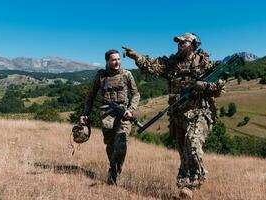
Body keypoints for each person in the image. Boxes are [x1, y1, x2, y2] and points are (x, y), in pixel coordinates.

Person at [124, 33, 225, 192]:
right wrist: (136, 56)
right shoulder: (171, 63)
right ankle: (185, 185)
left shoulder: (205, 64)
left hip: (199, 111)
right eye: (178, 43)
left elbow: (220, 86)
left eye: (183, 43)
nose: (179, 45)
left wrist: (204, 86)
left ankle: (195, 181)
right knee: (183, 151)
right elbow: (152, 65)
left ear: (193, 45)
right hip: (177, 114)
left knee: (192, 142)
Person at [79, 49, 140, 185]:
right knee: (110, 146)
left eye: (118, 59)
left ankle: (114, 173)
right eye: (114, 59)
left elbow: (136, 94)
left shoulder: (127, 75)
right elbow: (90, 97)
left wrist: (130, 110)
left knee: (121, 144)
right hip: (106, 116)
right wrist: (85, 114)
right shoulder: (101, 76)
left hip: (124, 115)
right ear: (107, 61)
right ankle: (113, 172)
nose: (117, 62)